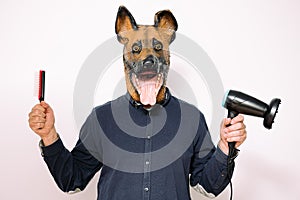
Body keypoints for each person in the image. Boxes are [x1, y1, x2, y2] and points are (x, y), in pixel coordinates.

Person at [28, 6, 247, 200]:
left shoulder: (191, 119)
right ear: (124, 58)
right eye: (136, 50)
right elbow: (71, 180)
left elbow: (208, 187)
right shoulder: (101, 119)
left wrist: (225, 147)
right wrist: (49, 136)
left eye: (157, 48)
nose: (147, 57)